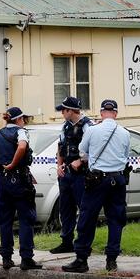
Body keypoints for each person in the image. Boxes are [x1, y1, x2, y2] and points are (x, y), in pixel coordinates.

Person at [62, 99, 130, 273]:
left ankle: (81, 259)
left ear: (101, 113)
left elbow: (82, 152)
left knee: (87, 218)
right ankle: (112, 260)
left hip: (97, 180)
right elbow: (125, 154)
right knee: (116, 220)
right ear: (115, 113)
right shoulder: (124, 132)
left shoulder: (92, 130)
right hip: (118, 179)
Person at [0, 106, 42, 271]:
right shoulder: (21, 132)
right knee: (26, 219)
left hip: (2, 182)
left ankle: (6, 258)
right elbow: (22, 147)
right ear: (19, 119)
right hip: (19, 180)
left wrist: (4, 165)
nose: (24, 121)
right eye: (23, 119)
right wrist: (13, 164)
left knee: (5, 221)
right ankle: (26, 259)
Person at [50, 96, 94, 254]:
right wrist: (59, 165)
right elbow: (60, 146)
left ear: (71, 111)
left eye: (63, 110)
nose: (62, 113)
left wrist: (81, 161)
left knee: (84, 209)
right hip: (66, 173)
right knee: (65, 209)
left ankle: (83, 243)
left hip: (81, 175)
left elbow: (94, 148)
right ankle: (66, 241)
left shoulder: (87, 126)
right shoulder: (65, 126)